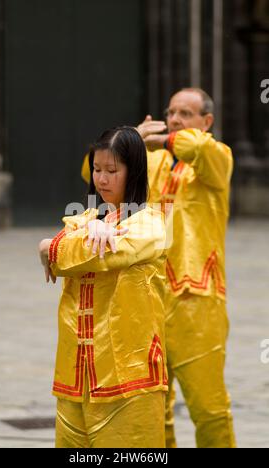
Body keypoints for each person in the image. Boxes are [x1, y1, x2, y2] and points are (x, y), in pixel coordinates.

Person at [39, 126, 170, 448]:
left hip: (128, 374)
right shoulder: (84, 219)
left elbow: (96, 256)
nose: (102, 179)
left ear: (134, 171)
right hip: (76, 372)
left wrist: (48, 246)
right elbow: (65, 254)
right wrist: (90, 227)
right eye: (97, 170)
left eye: (112, 170)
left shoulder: (149, 224)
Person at [136, 88, 237, 448]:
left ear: (206, 121)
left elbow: (200, 148)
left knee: (209, 408)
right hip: (149, 297)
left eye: (185, 113)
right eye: (171, 112)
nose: (175, 118)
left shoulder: (216, 157)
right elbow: (96, 168)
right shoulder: (153, 162)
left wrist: (164, 138)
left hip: (198, 299)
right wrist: (133, 140)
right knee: (152, 410)